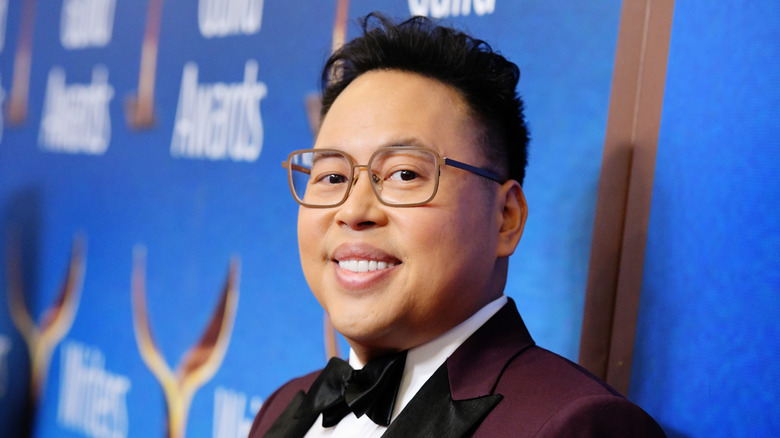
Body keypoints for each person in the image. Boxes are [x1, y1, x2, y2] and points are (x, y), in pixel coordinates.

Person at [249, 13, 666, 438]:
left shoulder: (575, 425)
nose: (354, 211)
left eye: (404, 174)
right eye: (332, 177)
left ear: (506, 218)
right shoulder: (283, 408)